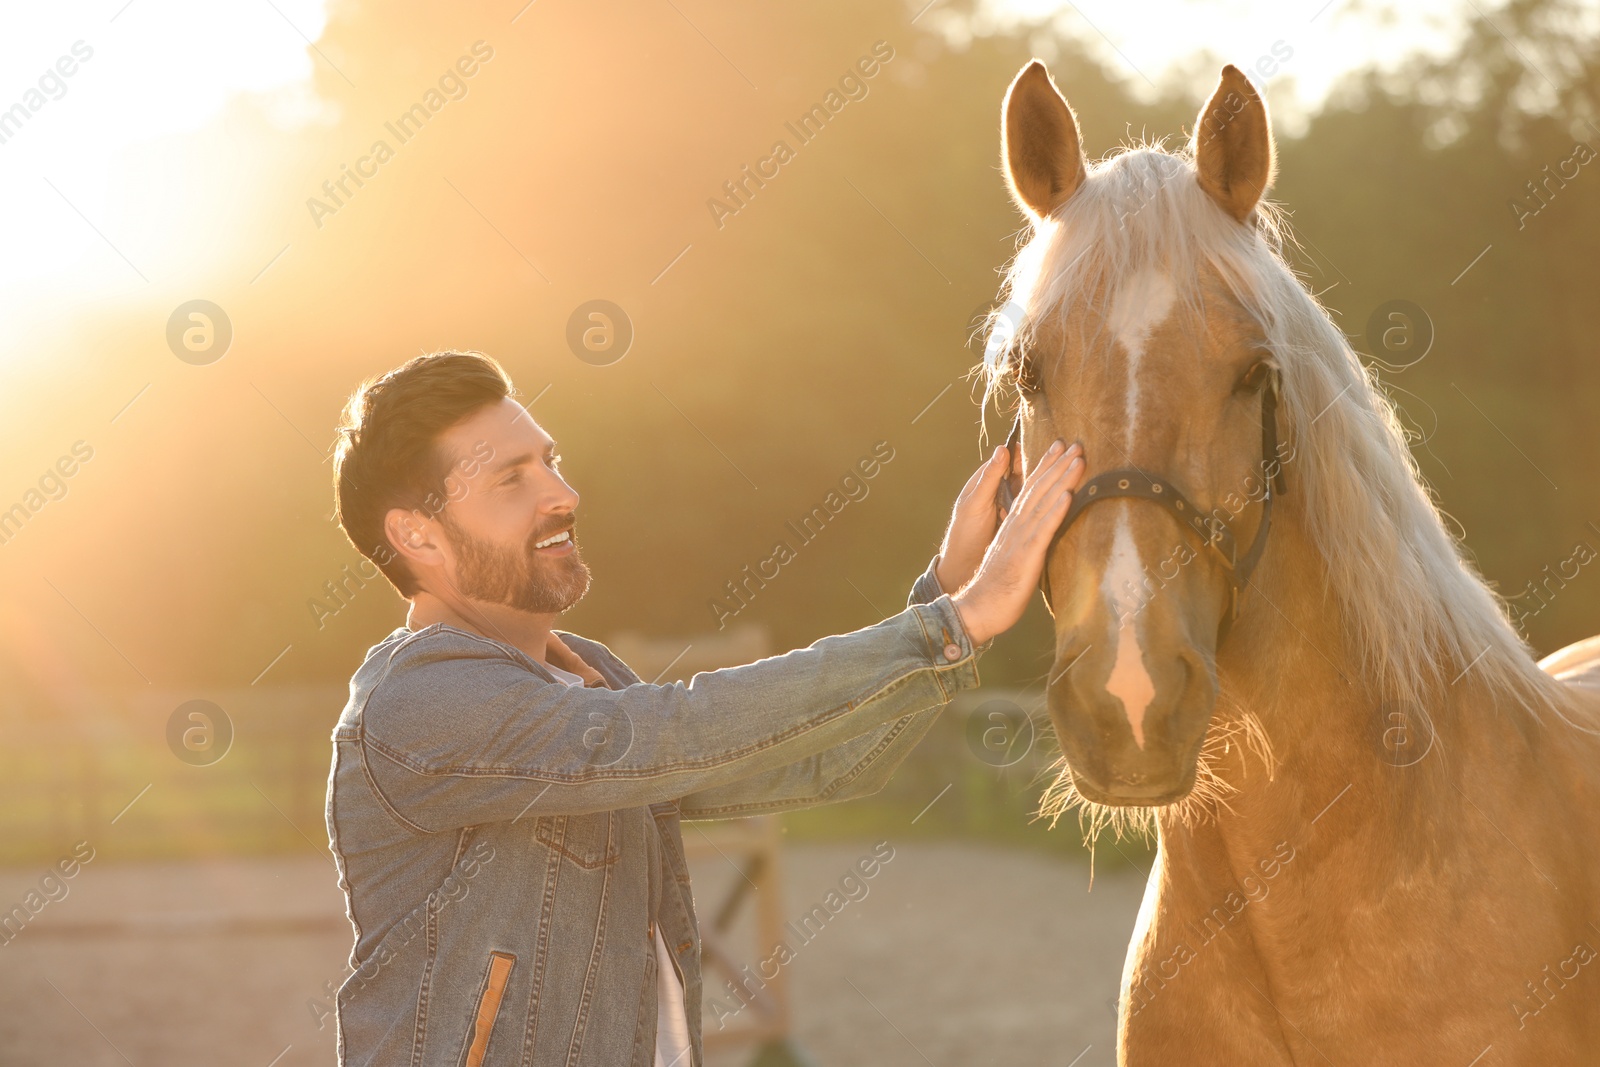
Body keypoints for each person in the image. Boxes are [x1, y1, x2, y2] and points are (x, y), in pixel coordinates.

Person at [323, 350, 1085, 1067]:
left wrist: (949, 592)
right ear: (416, 533)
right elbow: (672, 732)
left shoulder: (590, 676)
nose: (564, 493)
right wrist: (958, 622)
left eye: (550, 460)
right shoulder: (414, 704)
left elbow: (819, 761)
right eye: (511, 479)